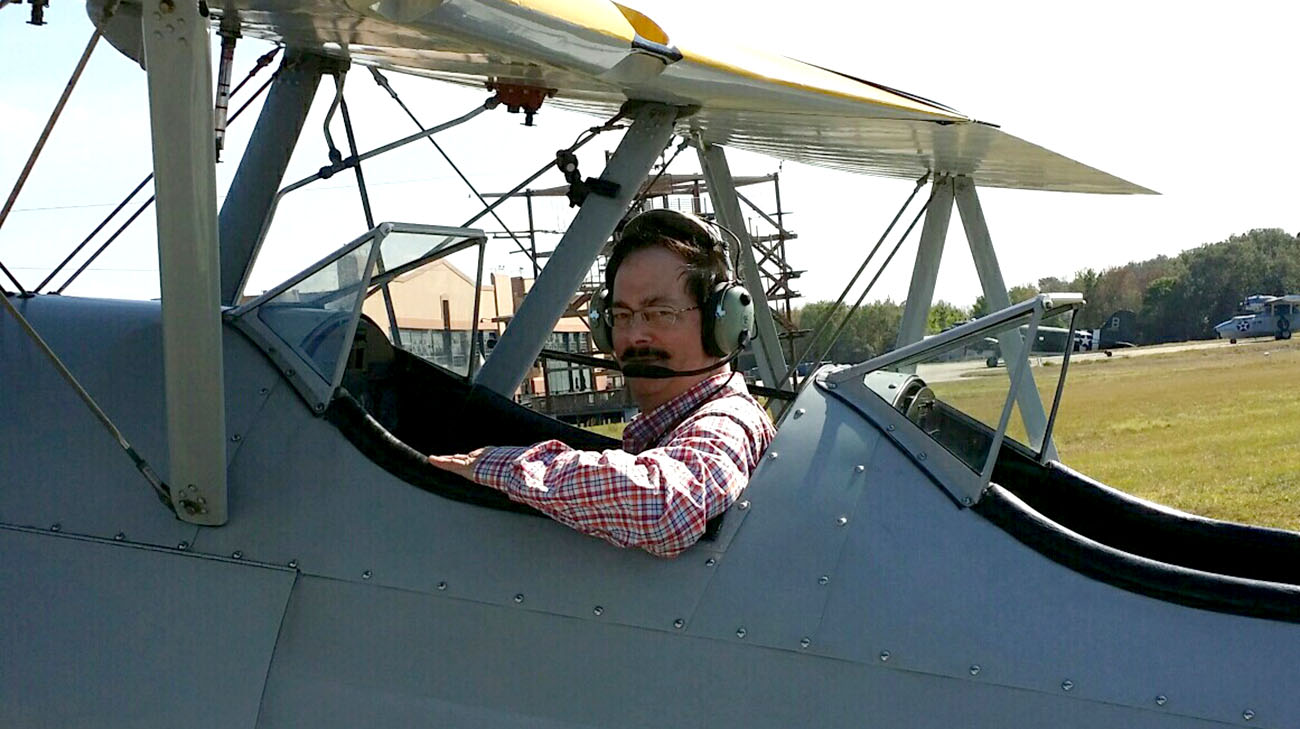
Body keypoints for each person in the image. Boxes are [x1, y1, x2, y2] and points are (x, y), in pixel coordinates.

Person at [427, 209, 775, 557]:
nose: (635, 335)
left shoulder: (729, 420)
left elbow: (668, 506)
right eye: (622, 316)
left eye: (660, 313)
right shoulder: (671, 428)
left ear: (724, 323)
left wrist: (498, 467)